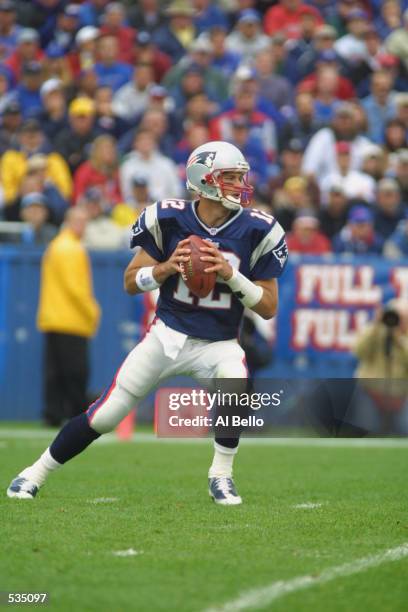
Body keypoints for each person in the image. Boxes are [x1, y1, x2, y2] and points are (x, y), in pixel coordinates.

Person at [7, 140, 288, 505]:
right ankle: (34, 473)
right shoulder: (168, 219)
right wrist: (166, 268)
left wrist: (231, 277)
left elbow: (267, 307)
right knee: (104, 416)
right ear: (204, 181)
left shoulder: (258, 229)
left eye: (240, 177)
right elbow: (129, 282)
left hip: (218, 343)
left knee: (235, 384)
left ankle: (221, 475)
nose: (239, 185)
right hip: (167, 336)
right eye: (230, 178)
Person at [33, 207, 101, 428]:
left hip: (53, 318)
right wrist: (93, 311)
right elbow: (76, 288)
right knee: (75, 371)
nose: (83, 226)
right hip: (72, 321)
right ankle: (75, 412)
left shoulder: (56, 245)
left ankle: (52, 413)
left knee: (55, 371)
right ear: (69, 221)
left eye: (85, 221)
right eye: (79, 221)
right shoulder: (71, 249)